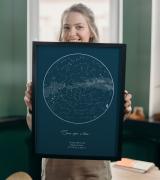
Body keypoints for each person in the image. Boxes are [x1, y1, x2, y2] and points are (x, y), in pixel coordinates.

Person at [24, 3, 132, 180]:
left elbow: (108, 125)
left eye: (79, 27)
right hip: (55, 170)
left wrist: (123, 109)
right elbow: (36, 129)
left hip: (94, 171)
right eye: (66, 27)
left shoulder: (106, 73)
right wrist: (31, 108)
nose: (71, 33)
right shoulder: (47, 72)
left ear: (91, 32)